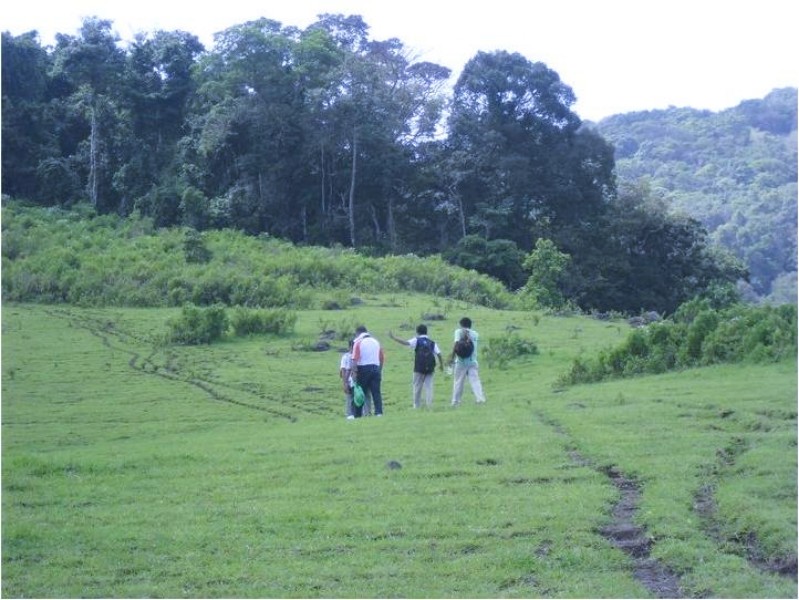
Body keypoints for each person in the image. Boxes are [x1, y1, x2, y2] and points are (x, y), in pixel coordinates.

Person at [388, 324, 445, 409]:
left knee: (417, 387)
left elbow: (406, 343)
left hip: (419, 368)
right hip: (430, 368)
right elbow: (439, 354)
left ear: (417, 332)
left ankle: (416, 405)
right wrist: (441, 365)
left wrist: (394, 338)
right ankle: (429, 405)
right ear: (426, 332)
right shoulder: (432, 342)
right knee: (429, 387)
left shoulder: (417, 340)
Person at [450, 317, 486, 406]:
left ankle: (456, 401)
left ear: (461, 324)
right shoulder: (475, 334)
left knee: (458, 382)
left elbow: (456, 344)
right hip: (472, 361)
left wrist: (452, 357)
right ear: (470, 325)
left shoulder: (458, 332)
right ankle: (480, 399)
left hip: (461, 361)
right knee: (475, 381)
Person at [351, 325, 385, 416]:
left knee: (360, 393)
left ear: (358, 333)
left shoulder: (358, 342)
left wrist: (354, 373)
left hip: (363, 369)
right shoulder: (376, 342)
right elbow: (382, 358)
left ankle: (357, 414)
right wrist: (379, 370)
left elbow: (354, 360)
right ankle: (378, 412)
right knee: (376, 392)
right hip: (376, 368)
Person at [339, 339, 356, 420]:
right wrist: (345, 383)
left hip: (355, 380)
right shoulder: (346, 357)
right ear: (349, 347)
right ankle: (349, 414)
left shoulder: (357, 356)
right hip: (349, 380)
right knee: (350, 398)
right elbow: (343, 370)